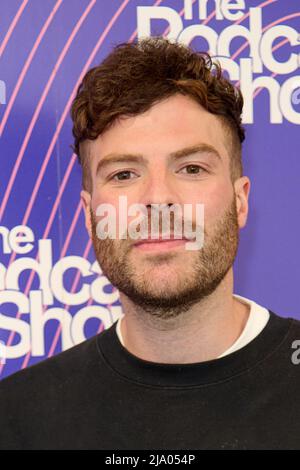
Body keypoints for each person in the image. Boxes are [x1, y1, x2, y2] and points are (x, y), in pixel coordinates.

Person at [0, 37, 300, 450]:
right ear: (89, 216)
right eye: (124, 174)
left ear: (240, 200)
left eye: (192, 167)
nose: (158, 199)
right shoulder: (17, 419)